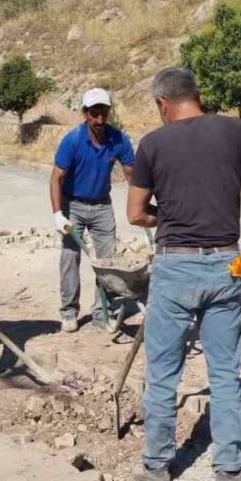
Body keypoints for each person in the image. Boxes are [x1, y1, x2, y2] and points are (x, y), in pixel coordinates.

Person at [126, 67, 241, 481]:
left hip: (174, 266)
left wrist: (167, 218)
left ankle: (157, 468)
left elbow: (134, 213)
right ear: (196, 96)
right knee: (224, 372)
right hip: (227, 263)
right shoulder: (235, 130)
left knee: (163, 372)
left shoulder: (152, 144)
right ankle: (229, 471)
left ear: (162, 104)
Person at [50, 88, 135, 332]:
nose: (99, 120)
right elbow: (55, 178)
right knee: (70, 257)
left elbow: (132, 176)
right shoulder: (73, 140)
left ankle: (101, 312)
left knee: (106, 262)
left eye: (104, 113)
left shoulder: (118, 139)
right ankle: (68, 312)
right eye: (94, 114)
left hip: (101, 205)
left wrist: (143, 205)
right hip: (72, 204)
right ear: (85, 114)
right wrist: (58, 214)